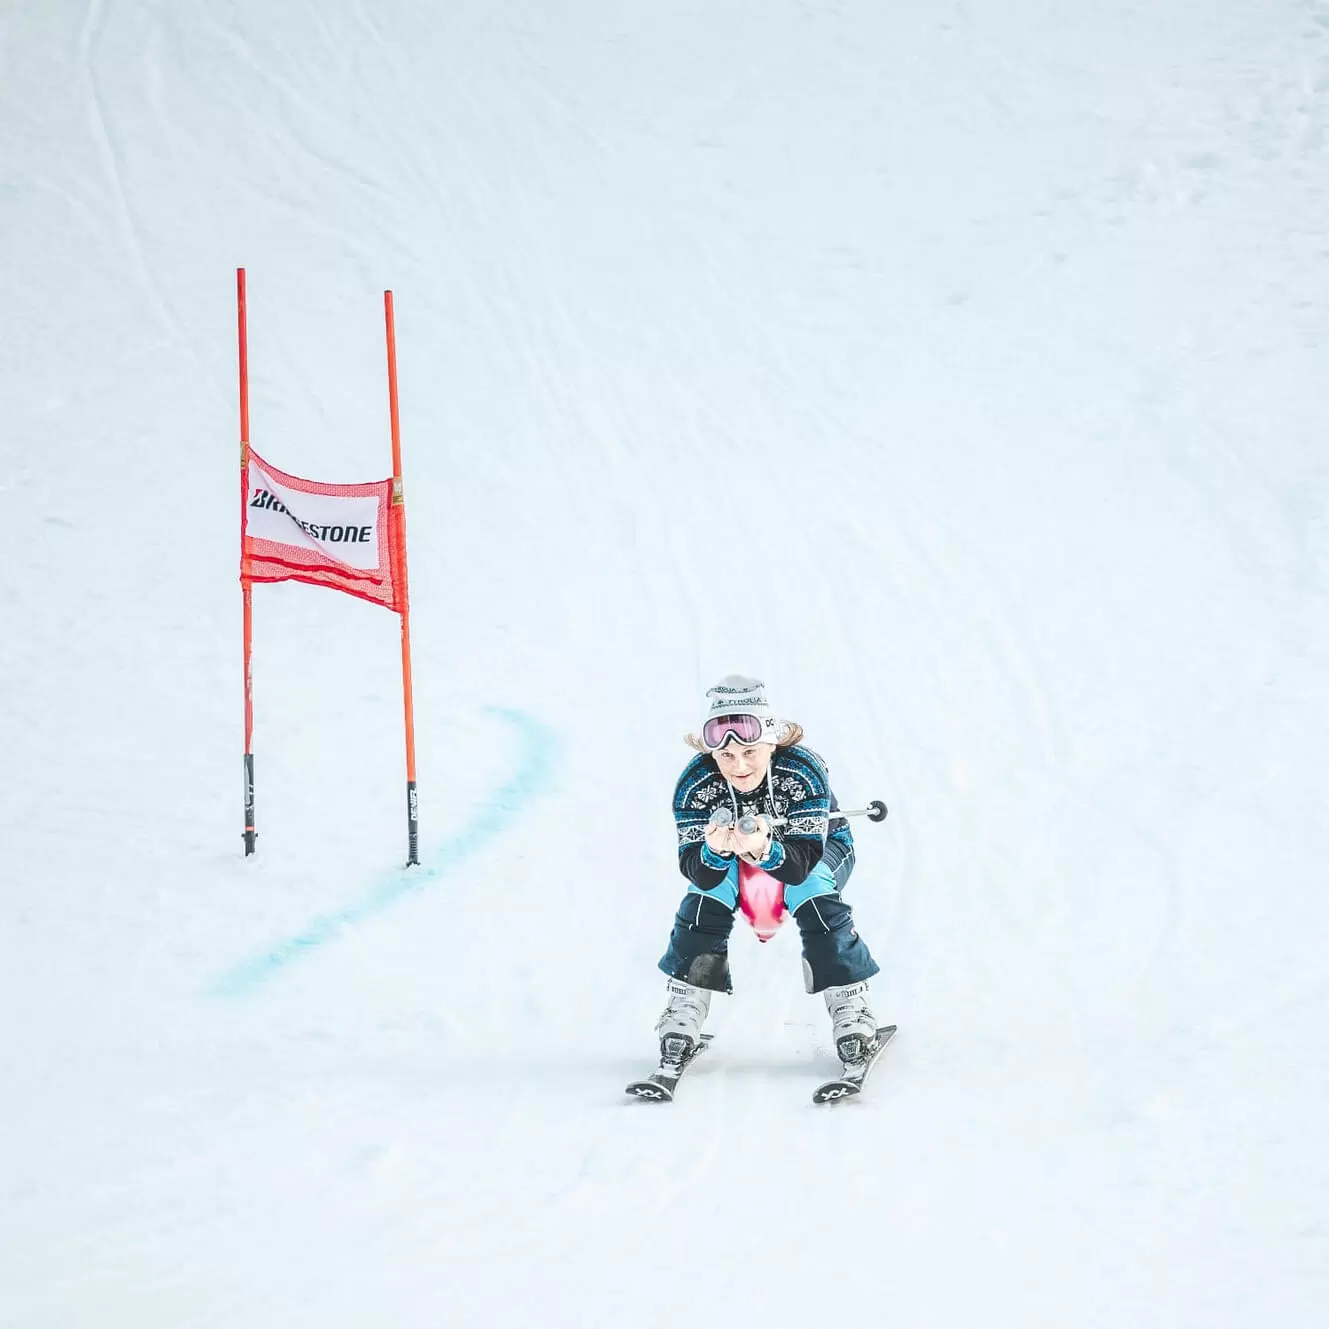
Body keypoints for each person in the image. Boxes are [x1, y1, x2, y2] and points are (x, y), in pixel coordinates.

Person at [656, 674, 881, 1069]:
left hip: (811, 851)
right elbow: (698, 872)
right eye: (726, 756)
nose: (738, 765)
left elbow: (799, 867)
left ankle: (850, 1006)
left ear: (771, 742)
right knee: (705, 898)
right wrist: (713, 850)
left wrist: (763, 849)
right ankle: (684, 1007)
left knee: (812, 890)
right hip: (735, 854)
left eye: (749, 752)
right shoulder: (695, 784)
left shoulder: (803, 770)